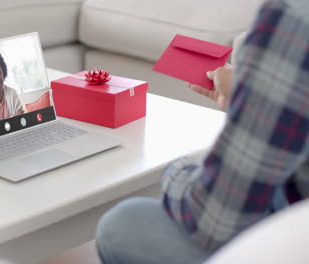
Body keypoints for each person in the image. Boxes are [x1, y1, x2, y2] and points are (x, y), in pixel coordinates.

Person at [96, 0, 309, 263]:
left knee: (123, 224)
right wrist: (256, 99)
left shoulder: (292, 19)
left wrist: (176, 169)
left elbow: (215, 221)